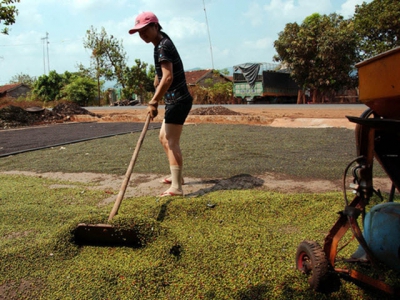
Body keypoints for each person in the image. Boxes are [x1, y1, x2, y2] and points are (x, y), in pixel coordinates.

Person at [129, 11, 193, 197]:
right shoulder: (162, 42)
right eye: (139, 32)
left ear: (155, 26)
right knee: (163, 138)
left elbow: (168, 77)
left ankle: (177, 188)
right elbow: (164, 71)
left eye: (144, 30)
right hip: (175, 99)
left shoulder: (163, 46)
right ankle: (177, 178)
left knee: (171, 141)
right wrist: (158, 76)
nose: (142, 35)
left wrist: (154, 101)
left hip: (178, 99)